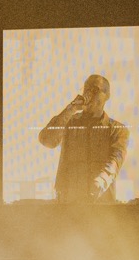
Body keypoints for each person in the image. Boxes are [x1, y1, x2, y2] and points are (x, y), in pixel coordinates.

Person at [38, 73, 129, 202]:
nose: (89, 94)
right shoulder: (69, 121)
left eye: (95, 90)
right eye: (86, 89)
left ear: (107, 96)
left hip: (100, 205)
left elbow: (115, 159)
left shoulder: (117, 129)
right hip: (68, 202)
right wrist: (71, 109)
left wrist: (100, 180)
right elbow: (46, 140)